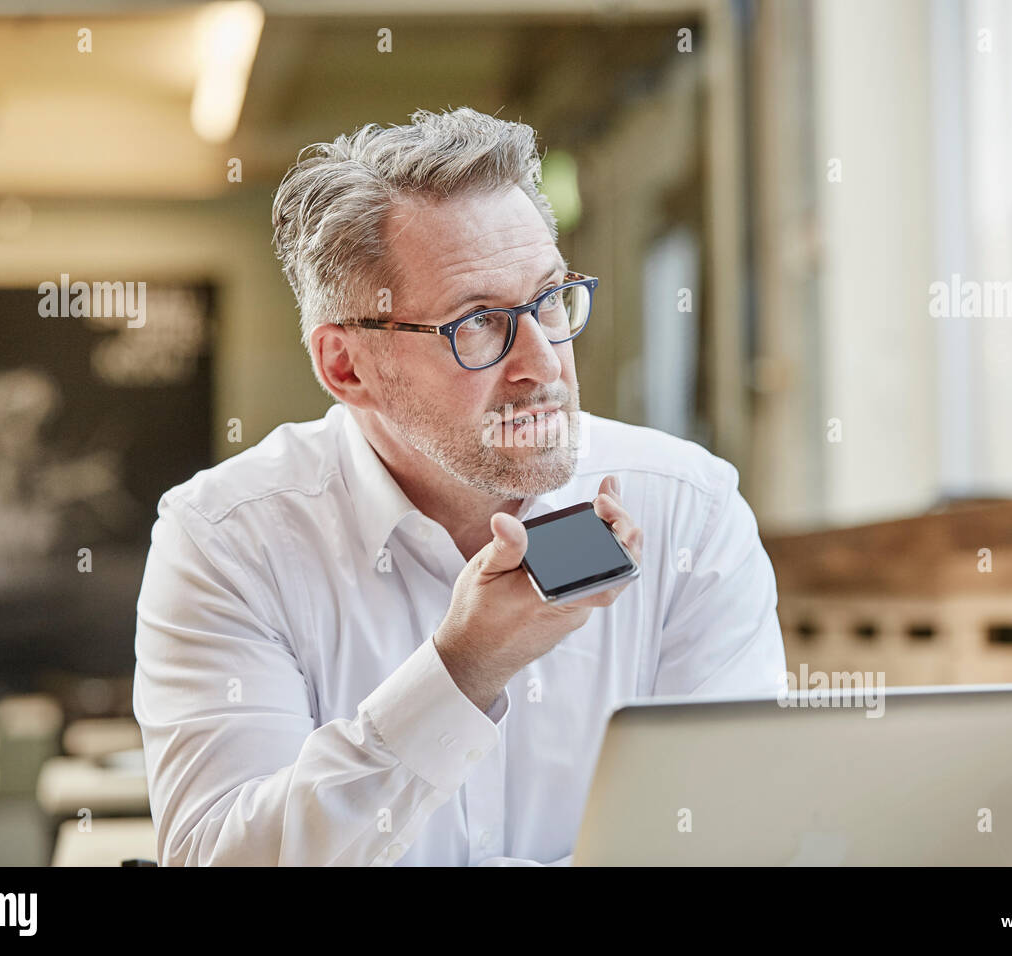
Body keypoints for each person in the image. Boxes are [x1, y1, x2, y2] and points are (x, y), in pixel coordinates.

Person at [133, 106, 785, 866]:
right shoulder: (228, 539)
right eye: (476, 322)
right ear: (346, 366)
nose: (542, 363)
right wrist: (461, 671)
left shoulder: (688, 511)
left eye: (549, 300)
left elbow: (736, 841)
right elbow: (220, 859)